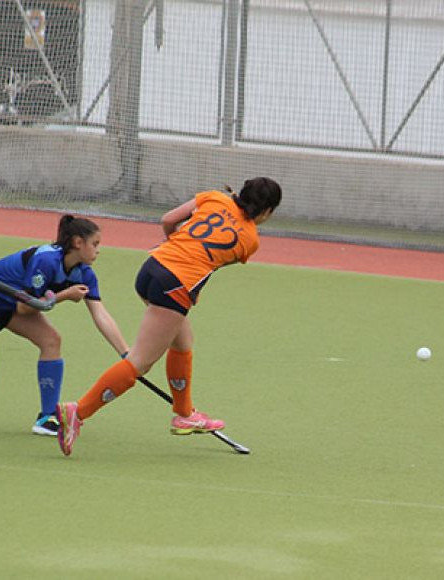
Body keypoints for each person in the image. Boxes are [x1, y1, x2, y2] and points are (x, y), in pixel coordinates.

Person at [55, 177, 282, 456]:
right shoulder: (250, 239)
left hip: (151, 268)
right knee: (140, 362)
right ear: (267, 211)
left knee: (182, 341)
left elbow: (168, 220)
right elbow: (209, 261)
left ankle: (185, 413)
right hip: (175, 285)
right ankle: (77, 413)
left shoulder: (213, 197)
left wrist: (173, 244)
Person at [0, 214, 130, 436]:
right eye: (95, 244)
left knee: (51, 340)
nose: (99, 250)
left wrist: (127, 356)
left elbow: (101, 314)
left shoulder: (84, 273)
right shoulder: (47, 261)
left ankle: (47, 417)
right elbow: (25, 309)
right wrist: (64, 295)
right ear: (78, 243)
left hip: (10, 306)